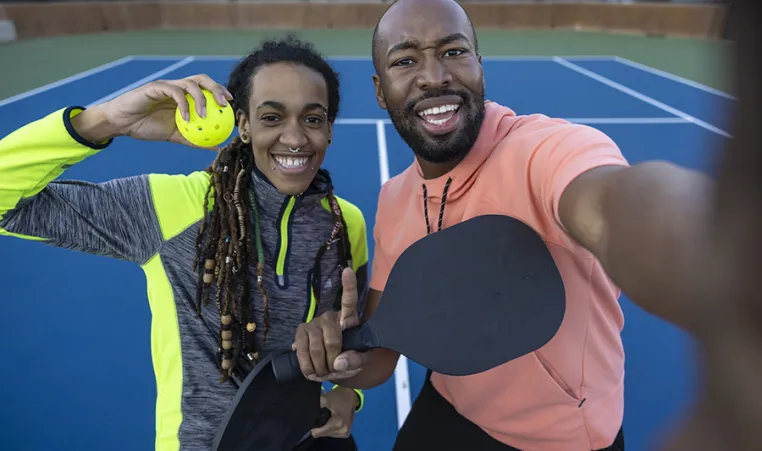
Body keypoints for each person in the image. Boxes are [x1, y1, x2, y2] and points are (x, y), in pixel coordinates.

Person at [295, 0, 745, 450]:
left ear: (478, 63)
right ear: (380, 89)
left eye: (453, 52)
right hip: (450, 400)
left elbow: (614, 207)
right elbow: (381, 353)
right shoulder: (396, 198)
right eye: (406, 60)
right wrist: (344, 358)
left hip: (558, 441)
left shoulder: (545, 153)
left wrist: (725, 252)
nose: (434, 75)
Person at [0, 36, 367, 451]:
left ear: (330, 129)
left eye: (313, 119)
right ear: (243, 125)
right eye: (271, 117)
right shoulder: (170, 208)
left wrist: (350, 394)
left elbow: (348, 341)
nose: (295, 137)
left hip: (307, 441)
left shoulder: (344, 224)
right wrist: (104, 121)